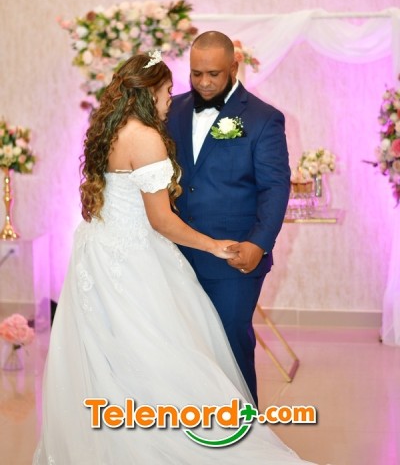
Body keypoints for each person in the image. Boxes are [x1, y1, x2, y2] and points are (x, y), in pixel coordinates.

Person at [33, 52, 315, 464]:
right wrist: (214, 245)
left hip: (96, 254)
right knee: (163, 352)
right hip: (135, 257)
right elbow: (161, 220)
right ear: (149, 92)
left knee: (106, 353)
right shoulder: (146, 137)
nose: (172, 97)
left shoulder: (106, 129)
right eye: (167, 90)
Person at [167, 31, 291, 405]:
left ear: (234, 68)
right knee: (182, 348)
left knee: (231, 342)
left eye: (214, 74)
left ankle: (243, 430)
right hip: (174, 253)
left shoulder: (264, 118)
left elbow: (274, 187)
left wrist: (258, 243)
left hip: (234, 256)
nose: (204, 83)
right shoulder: (170, 110)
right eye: (196, 74)